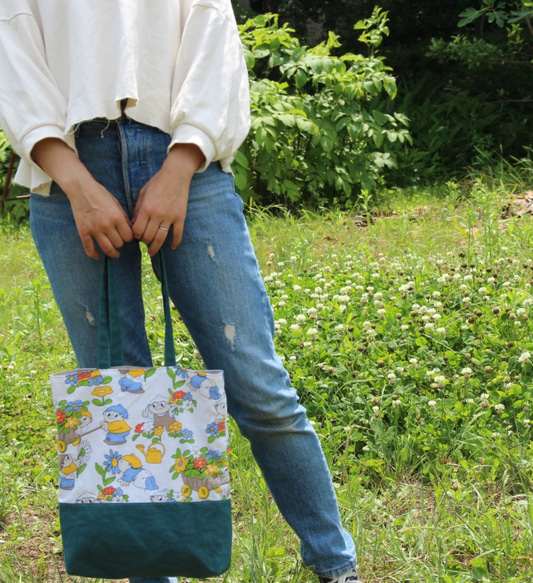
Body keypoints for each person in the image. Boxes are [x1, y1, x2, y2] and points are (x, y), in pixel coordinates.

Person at [0, 1, 362, 582]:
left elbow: (214, 45)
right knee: (119, 394)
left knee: (258, 386)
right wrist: (77, 184)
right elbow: (12, 62)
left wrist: (181, 165)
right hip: (67, 174)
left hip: (183, 159)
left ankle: (336, 566)